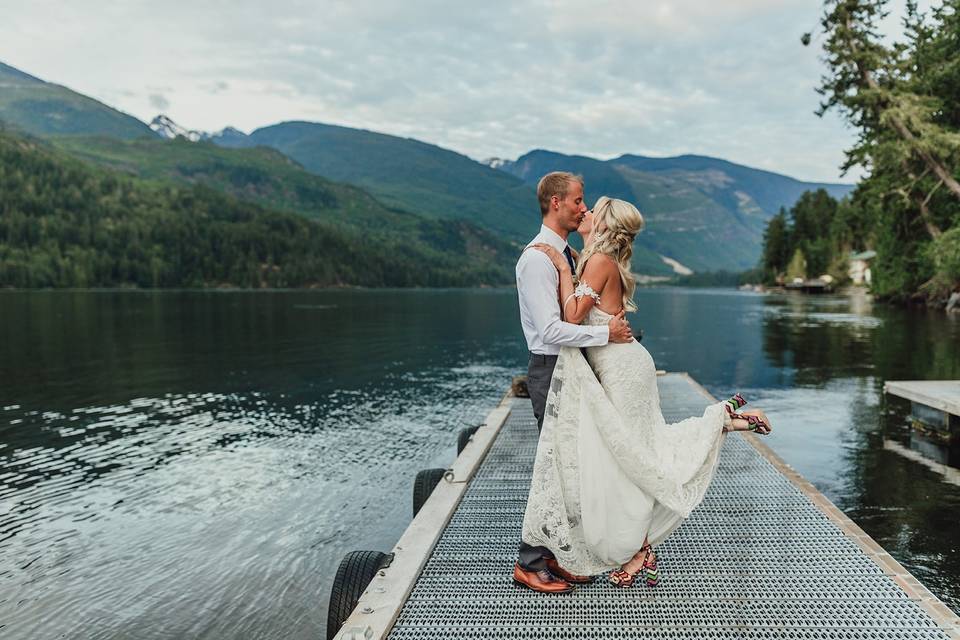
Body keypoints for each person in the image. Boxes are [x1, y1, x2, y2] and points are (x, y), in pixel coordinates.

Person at [520, 195, 772, 589]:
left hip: (623, 369)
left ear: (602, 223)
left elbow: (571, 315)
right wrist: (566, 257)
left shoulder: (599, 262)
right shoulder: (593, 258)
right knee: (632, 452)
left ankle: (722, 419)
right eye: (583, 205)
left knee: (633, 454)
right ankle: (642, 546)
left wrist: (560, 267)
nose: (585, 211)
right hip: (620, 365)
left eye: (593, 209)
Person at [513, 173, 635, 594]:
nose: (583, 209)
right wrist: (606, 335)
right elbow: (550, 331)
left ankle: (552, 556)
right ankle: (529, 562)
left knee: (573, 463)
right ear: (555, 203)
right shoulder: (536, 260)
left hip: (571, 367)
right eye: (578, 202)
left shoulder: (563, 253)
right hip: (550, 368)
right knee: (555, 463)